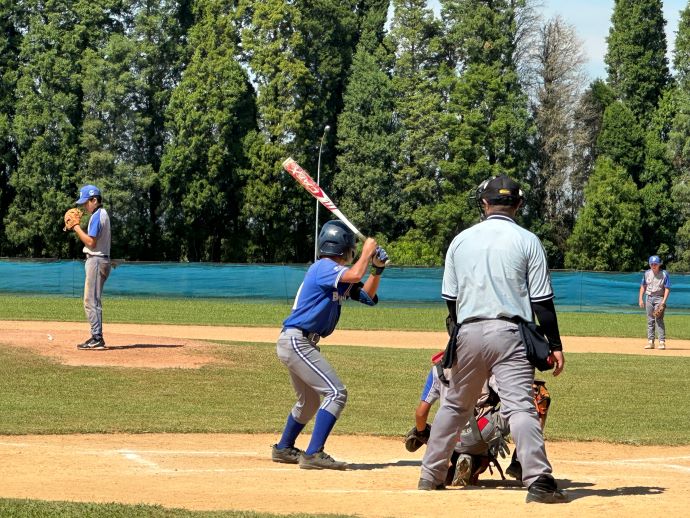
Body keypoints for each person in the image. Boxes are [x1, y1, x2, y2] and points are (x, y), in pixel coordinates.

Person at [418, 175, 567, 504]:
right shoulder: (528, 240)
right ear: (518, 204)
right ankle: (538, 481)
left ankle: (430, 475)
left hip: (467, 330)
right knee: (521, 409)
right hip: (509, 333)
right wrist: (555, 345)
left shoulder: (460, 240)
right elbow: (542, 300)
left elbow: (451, 300)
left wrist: (458, 337)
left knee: (455, 406)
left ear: (483, 203)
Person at [271, 220, 388, 470]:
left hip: (301, 342)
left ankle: (283, 448)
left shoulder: (337, 274)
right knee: (336, 393)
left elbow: (366, 296)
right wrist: (368, 252)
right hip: (297, 340)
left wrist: (376, 270)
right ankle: (314, 453)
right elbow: (356, 274)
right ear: (344, 248)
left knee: (310, 402)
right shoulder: (323, 267)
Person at [72, 185, 111, 350]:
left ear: (94, 200)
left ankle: (97, 338)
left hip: (96, 260)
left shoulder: (97, 216)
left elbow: (91, 242)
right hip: (100, 259)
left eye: (86, 202)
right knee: (92, 299)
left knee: (91, 300)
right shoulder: (103, 214)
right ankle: (96, 337)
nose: (83, 206)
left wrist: (76, 227)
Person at [639, 255, 671, 350]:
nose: (653, 265)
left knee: (659, 320)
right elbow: (643, 286)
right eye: (651, 264)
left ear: (659, 264)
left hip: (659, 298)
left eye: (655, 264)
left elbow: (667, 288)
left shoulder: (664, 274)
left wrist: (663, 302)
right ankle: (650, 342)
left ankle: (661, 342)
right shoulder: (647, 273)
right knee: (650, 320)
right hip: (649, 297)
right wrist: (640, 298)